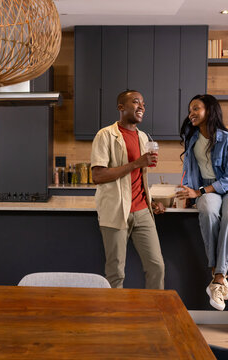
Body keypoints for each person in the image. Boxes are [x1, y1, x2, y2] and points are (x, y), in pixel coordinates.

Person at [175, 94, 228, 311]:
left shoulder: (227, 139)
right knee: (207, 210)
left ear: (209, 110)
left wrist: (199, 191)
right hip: (205, 189)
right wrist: (189, 194)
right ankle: (217, 277)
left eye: (196, 108)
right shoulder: (192, 140)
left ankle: (218, 278)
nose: (191, 113)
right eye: (190, 109)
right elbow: (189, 171)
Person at [90, 89, 166, 289]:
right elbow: (97, 176)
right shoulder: (105, 135)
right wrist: (135, 163)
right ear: (121, 107)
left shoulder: (143, 137)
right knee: (116, 272)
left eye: (143, 103)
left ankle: (154, 313)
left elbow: (139, 178)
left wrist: (151, 201)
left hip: (142, 211)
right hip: (115, 211)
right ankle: (115, 318)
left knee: (156, 266)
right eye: (135, 102)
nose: (141, 106)